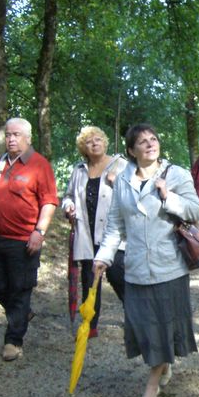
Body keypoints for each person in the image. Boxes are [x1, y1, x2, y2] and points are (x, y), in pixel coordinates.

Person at [93, 123, 199, 397]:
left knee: (163, 324)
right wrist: (103, 257)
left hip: (169, 265)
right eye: (142, 142)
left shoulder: (176, 174)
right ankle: (163, 363)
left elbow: (195, 210)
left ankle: (152, 384)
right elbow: (115, 225)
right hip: (137, 266)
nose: (150, 144)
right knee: (143, 326)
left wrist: (169, 197)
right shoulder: (122, 180)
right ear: (131, 150)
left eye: (153, 139)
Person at [0, 117, 58, 361]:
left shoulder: (39, 164)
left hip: (23, 240)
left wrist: (39, 232)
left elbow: (49, 201)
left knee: (20, 289)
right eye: (8, 134)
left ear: (28, 138)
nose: (11, 139)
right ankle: (21, 313)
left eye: (16, 135)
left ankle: (13, 341)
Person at [61, 126, 127, 338]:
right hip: (87, 234)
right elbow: (68, 196)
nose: (94, 143)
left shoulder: (121, 165)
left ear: (105, 142)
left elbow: (136, 195)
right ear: (84, 148)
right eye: (89, 142)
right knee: (89, 280)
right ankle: (90, 323)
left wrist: (118, 183)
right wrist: (68, 206)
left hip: (114, 235)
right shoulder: (79, 169)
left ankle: (138, 316)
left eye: (98, 139)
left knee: (118, 276)